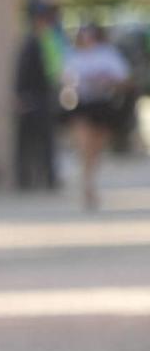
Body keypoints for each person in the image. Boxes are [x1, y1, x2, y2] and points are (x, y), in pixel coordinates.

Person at [62, 23, 133, 210]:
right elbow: (66, 80)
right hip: (83, 104)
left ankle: (90, 180)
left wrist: (107, 81)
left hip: (102, 105)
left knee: (96, 149)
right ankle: (87, 185)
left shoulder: (107, 55)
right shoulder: (74, 56)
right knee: (84, 145)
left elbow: (123, 79)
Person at [14, 3, 63, 191]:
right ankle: (27, 180)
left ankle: (48, 179)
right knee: (29, 141)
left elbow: (54, 69)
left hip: (44, 96)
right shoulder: (30, 42)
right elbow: (22, 73)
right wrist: (20, 96)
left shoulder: (47, 40)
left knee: (46, 140)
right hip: (32, 97)